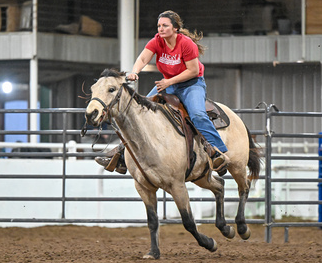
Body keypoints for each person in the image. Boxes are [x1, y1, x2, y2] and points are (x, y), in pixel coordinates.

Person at [95, 10, 230, 175]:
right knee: (140, 110)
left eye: (165, 25)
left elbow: (193, 71)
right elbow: (143, 58)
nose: (160, 29)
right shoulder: (156, 41)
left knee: (197, 114)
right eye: (159, 25)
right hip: (168, 83)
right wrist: (135, 71)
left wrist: (169, 81)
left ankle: (218, 152)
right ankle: (121, 154)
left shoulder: (186, 44)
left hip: (191, 84)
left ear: (175, 29)